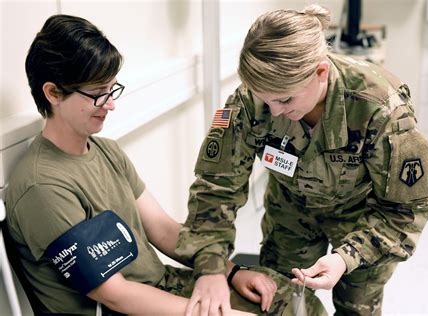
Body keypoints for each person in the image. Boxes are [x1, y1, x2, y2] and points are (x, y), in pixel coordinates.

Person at [4, 14, 327, 315]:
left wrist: (230, 272)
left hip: (160, 284)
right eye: (98, 95)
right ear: (53, 93)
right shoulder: (41, 187)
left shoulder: (107, 151)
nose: (111, 104)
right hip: (122, 308)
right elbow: (116, 294)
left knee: (298, 303)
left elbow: (163, 229)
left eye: (112, 89)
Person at [176, 3, 428, 316]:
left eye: (285, 100)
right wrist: (212, 268)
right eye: (266, 100)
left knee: (358, 309)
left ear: (321, 72)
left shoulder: (381, 109)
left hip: (364, 220)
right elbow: (215, 190)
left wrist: (345, 257)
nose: (274, 112)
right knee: (280, 302)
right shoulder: (247, 102)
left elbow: (404, 211)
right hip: (290, 213)